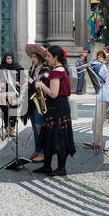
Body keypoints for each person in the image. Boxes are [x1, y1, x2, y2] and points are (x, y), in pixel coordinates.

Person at [34, 45, 76, 176]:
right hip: (56, 107)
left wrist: (41, 85)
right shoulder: (62, 69)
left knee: (59, 138)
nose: (47, 59)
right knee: (48, 136)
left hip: (58, 108)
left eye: (48, 56)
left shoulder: (56, 72)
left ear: (56, 57)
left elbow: (53, 93)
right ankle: (47, 166)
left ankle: (61, 168)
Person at [84, 46, 109, 151]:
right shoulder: (105, 64)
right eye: (107, 52)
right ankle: (97, 142)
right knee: (96, 119)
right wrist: (105, 65)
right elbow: (101, 76)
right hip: (104, 94)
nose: (108, 54)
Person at [25, 44, 49, 163]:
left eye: (34, 57)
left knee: (39, 127)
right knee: (35, 127)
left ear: (39, 58)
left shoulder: (44, 69)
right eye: (32, 57)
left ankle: (42, 153)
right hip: (33, 101)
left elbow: (44, 84)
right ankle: (37, 150)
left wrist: (32, 81)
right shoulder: (33, 68)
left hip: (40, 101)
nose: (32, 59)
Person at [0, 52, 24, 138]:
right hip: (3, 92)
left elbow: (22, 78)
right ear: (5, 59)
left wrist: (18, 82)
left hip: (14, 91)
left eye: (11, 58)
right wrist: (0, 83)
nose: (9, 60)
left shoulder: (17, 67)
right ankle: (6, 128)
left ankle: (12, 128)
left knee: (14, 110)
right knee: (5, 111)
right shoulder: (0, 67)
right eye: (8, 58)